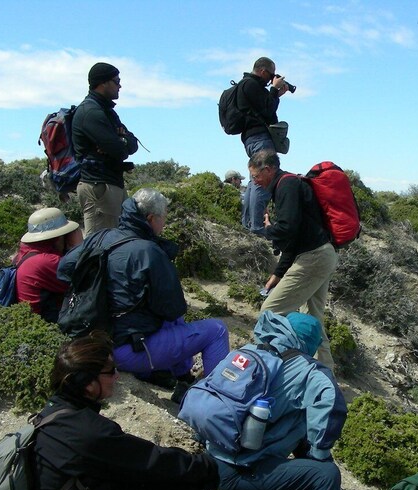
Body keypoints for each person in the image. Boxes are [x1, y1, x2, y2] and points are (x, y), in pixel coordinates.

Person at [32, 331, 219, 490]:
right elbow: (154, 461)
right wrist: (206, 465)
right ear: (88, 385)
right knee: (181, 488)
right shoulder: (90, 432)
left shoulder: (51, 415)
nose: (117, 377)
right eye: (110, 372)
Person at [196, 310, 353, 490]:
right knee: (326, 476)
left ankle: (309, 489)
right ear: (310, 344)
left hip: (212, 458)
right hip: (240, 477)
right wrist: (321, 458)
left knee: (297, 413)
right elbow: (331, 408)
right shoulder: (311, 372)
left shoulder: (251, 350)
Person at [58, 188, 229, 402]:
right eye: (163, 217)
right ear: (150, 218)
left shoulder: (101, 236)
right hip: (127, 351)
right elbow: (173, 308)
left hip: (94, 342)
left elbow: (64, 268)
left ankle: (182, 379)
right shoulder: (149, 252)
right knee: (216, 330)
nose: (164, 223)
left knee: (168, 320)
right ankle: (216, 400)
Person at [248, 149, 338, 369]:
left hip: (314, 257)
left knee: (270, 311)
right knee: (314, 318)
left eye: (256, 177)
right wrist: (278, 273)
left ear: (268, 170)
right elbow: (295, 237)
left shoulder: (286, 186)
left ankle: (267, 366)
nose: (255, 182)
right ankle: (324, 371)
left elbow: (288, 230)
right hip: (323, 254)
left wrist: (268, 229)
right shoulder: (289, 184)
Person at [72, 62, 139, 235]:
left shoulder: (106, 111)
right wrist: (119, 142)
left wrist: (120, 140)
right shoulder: (91, 112)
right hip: (98, 188)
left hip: (111, 184)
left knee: (118, 241)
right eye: (116, 81)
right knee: (99, 246)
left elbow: (132, 144)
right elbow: (120, 150)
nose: (120, 86)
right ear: (103, 83)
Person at [236, 57, 290, 234]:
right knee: (263, 180)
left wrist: (276, 95)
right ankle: (257, 228)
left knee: (255, 181)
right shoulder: (251, 85)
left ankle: (248, 226)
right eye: (271, 75)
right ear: (262, 71)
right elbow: (267, 111)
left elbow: (266, 108)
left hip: (251, 138)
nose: (271, 79)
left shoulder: (247, 86)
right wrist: (273, 89)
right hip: (259, 138)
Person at [15, 208, 83, 322]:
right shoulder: (46, 261)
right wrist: (78, 246)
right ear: (57, 237)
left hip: (31, 317)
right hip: (44, 321)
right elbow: (83, 280)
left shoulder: (25, 254)